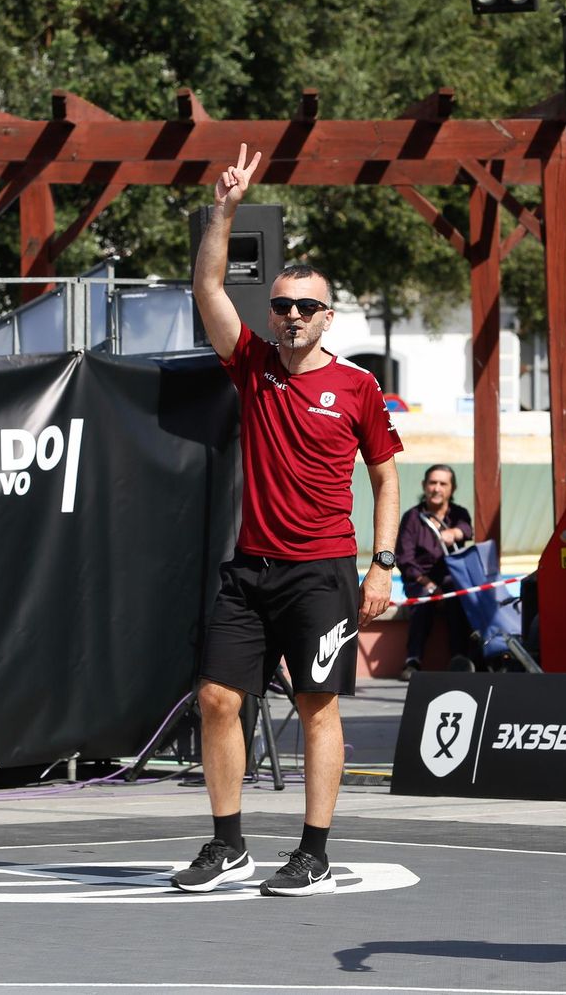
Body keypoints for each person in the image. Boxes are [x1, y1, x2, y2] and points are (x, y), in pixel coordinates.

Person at [171, 145, 402, 897]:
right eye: (281, 305)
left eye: (306, 307)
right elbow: (206, 282)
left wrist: (383, 563)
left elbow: (385, 475)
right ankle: (227, 845)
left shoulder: (358, 387)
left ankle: (313, 851)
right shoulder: (251, 364)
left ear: (327, 316)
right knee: (216, 699)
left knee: (317, 706)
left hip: (322, 571)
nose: (292, 317)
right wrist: (226, 210)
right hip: (251, 567)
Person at [396, 464, 478, 679]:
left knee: (458, 598)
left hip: (450, 579)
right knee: (424, 601)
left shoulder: (459, 514)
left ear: (452, 488)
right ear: (424, 486)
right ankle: (413, 660)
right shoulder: (412, 518)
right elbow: (404, 559)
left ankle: (459, 659)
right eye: (432, 483)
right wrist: (429, 584)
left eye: (443, 484)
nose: (437, 488)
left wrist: (455, 532)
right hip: (421, 581)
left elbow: (467, 529)